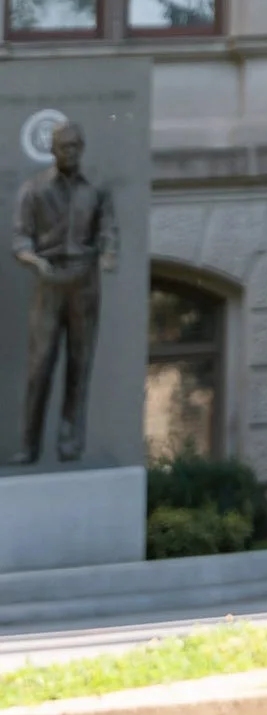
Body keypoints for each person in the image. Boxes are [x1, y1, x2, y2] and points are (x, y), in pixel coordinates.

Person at [12, 115, 118, 465]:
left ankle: (70, 443)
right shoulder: (34, 189)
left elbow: (108, 228)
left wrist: (108, 253)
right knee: (39, 365)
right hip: (50, 279)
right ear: (52, 150)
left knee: (80, 364)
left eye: (74, 146)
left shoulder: (97, 187)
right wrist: (34, 261)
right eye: (62, 147)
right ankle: (29, 445)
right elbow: (20, 238)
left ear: (82, 148)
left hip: (85, 281)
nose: (69, 152)